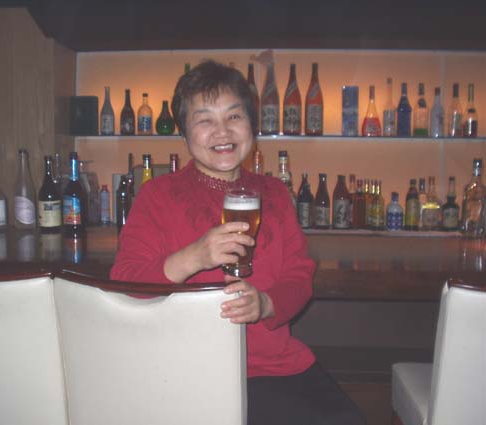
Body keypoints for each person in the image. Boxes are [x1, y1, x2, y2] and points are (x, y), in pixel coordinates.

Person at [110, 60, 366, 425]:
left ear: (252, 127)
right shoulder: (157, 195)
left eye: (234, 116)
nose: (222, 131)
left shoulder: (274, 192)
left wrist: (265, 304)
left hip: (272, 366)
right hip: (186, 367)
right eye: (204, 120)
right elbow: (125, 282)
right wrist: (195, 257)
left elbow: (299, 275)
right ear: (184, 134)